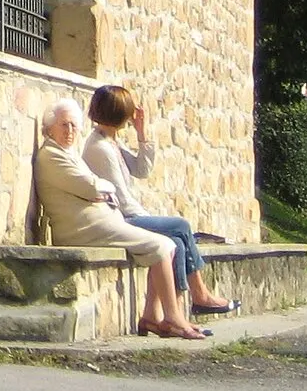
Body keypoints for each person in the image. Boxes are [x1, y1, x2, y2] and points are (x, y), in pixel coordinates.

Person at [35, 99, 205, 339]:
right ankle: (174, 316)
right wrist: (102, 191)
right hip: (86, 229)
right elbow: (94, 187)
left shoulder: (69, 153)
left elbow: (114, 182)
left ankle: (155, 317)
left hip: (102, 222)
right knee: (162, 244)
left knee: (170, 243)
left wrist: (102, 190)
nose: (70, 131)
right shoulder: (52, 155)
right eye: (64, 125)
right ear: (49, 127)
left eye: (74, 125)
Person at [83, 84, 239, 316]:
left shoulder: (110, 141)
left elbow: (142, 169)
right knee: (180, 226)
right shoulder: (100, 147)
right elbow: (122, 200)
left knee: (176, 239)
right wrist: (150, 219)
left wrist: (142, 133)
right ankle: (199, 295)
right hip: (120, 219)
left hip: (127, 214)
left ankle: (163, 315)